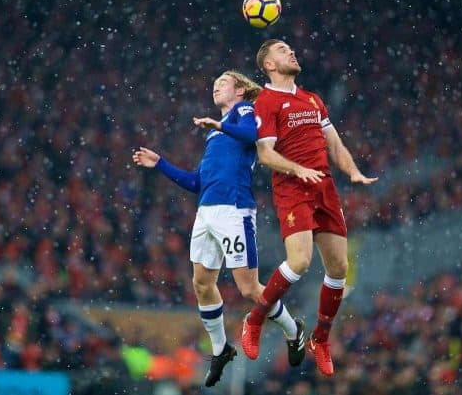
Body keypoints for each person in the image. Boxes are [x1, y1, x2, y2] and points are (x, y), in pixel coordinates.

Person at [132, 70, 305, 387]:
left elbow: (255, 137)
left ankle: (294, 331)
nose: (216, 85)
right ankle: (220, 348)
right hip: (206, 212)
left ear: (239, 90)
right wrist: (160, 164)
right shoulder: (214, 134)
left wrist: (220, 125)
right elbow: (197, 181)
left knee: (249, 289)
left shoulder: (244, 112)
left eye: (223, 82)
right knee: (201, 284)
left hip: (233, 209)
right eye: (215, 82)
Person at [240, 39, 378, 377]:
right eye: (282, 50)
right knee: (300, 261)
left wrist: (353, 171)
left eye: (291, 48)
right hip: (292, 188)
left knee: (338, 268)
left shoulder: (312, 98)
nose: (292, 52)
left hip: (325, 188)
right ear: (268, 65)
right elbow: (265, 154)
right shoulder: (267, 102)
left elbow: (334, 143)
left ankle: (321, 338)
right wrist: (296, 168)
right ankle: (255, 319)